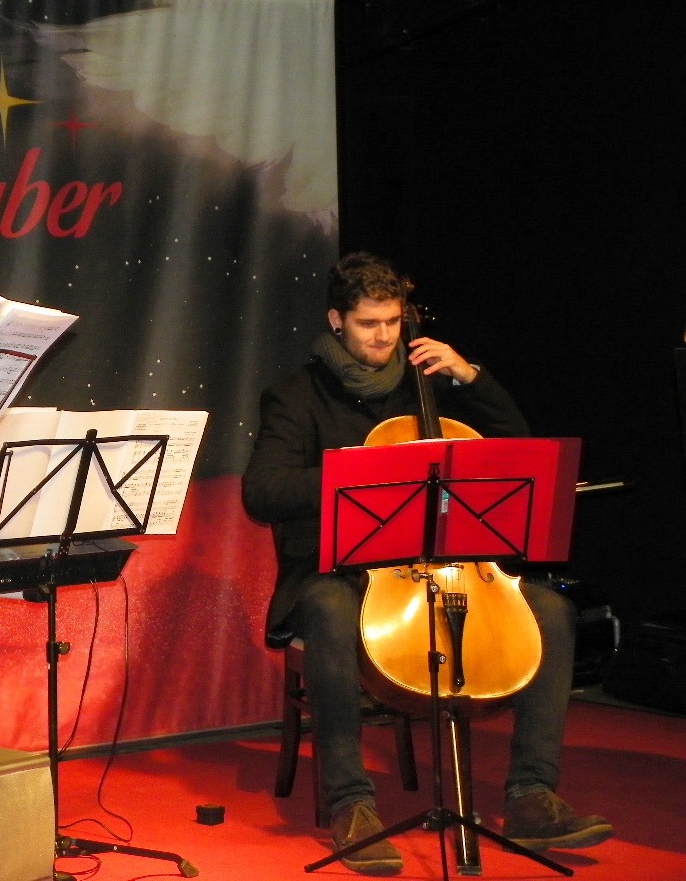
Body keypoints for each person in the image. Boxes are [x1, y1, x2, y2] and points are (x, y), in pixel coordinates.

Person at [242, 252, 613, 875]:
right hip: (343, 570)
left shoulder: (431, 382)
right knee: (328, 608)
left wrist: (471, 377)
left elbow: (517, 445)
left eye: (393, 322)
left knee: (551, 609)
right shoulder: (297, 396)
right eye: (368, 324)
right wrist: (357, 476)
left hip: (449, 564)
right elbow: (262, 492)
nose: (383, 336)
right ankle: (351, 804)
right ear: (337, 320)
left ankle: (531, 794)